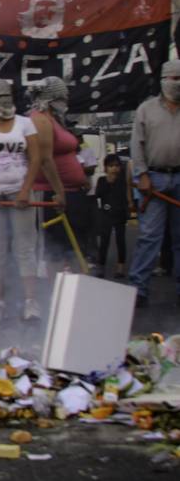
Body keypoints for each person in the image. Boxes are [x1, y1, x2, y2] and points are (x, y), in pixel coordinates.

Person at [0, 78, 62, 321]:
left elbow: (36, 158)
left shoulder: (25, 123)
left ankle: (31, 303)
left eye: (6, 95)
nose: (3, 100)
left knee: (25, 249)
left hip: (20, 193)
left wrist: (24, 190)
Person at [128, 59, 180, 308]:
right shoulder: (146, 110)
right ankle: (139, 288)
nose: (178, 84)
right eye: (174, 79)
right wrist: (143, 175)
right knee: (150, 235)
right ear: (164, 80)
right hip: (155, 178)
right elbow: (136, 146)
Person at [26, 77, 77, 273]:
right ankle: (50, 293)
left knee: (66, 251)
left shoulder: (52, 119)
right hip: (48, 193)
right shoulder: (39, 119)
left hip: (63, 191)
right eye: (62, 96)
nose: (65, 101)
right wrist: (59, 191)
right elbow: (45, 159)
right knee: (52, 251)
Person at [93, 154, 131, 278]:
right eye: (111, 166)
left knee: (121, 240)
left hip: (119, 213)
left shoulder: (122, 181)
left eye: (116, 166)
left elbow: (126, 195)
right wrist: (108, 183)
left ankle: (120, 267)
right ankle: (101, 265)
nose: (114, 168)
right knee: (104, 241)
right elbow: (98, 194)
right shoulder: (102, 180)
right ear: (105, 168)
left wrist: (128, 208)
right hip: (106, 214)